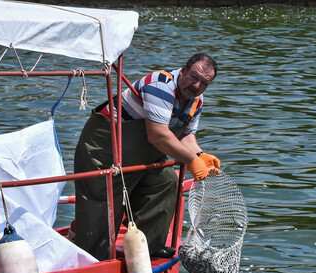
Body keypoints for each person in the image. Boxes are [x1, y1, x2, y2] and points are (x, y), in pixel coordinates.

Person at [73, 53, 221, 261]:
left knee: (167, 182)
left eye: (204, 83)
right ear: (184, 69)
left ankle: (148, 248)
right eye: (194, 77)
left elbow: (186, 134)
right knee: (103, 209)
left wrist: (199, 154)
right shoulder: (161, 85)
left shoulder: (196, 100)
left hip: (140, 155)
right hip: (103, 150)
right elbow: (158, 134)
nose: (196, 86)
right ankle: (92, 262)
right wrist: (191, 161)